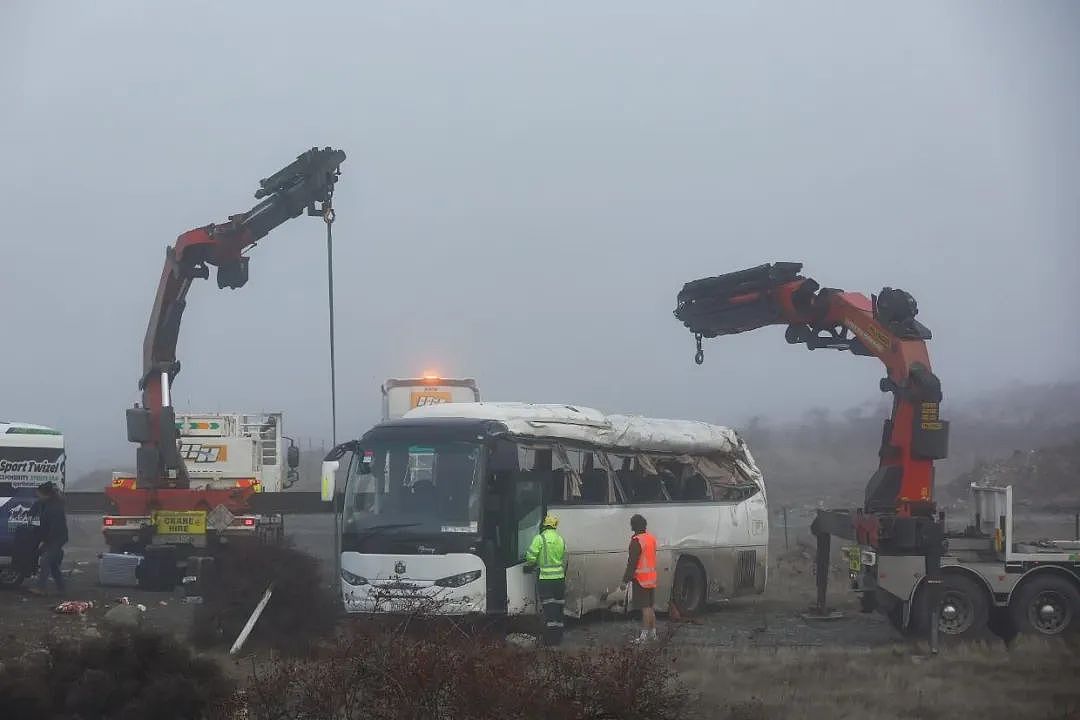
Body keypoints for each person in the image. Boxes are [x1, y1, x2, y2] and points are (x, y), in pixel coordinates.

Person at [524, 514, 567, 645]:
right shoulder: (560, 539)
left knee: (549, 610)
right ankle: (558, 638)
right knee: (559, 609)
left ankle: (549, 641)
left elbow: (530, 558)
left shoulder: (539, 538)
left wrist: (530, 565)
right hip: (559, 579)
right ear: (555, 525)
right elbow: (563, 556)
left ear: (544, 524)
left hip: (546, 579)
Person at [620, 513, 658, 642]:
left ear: (633, 526)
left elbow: (632, 562)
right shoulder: (651, 538)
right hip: (651, 577)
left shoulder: (636, 541)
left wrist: (625, 580)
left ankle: (644, 636)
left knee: (645, 607)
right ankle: (653, 634)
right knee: (650, 606)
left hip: (641, 579)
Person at [29, 481, 68, 596]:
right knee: (53, 563)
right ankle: (61, 587)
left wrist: (45, 541)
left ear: (46, 494)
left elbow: (55, 529)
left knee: (45, 561)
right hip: (53, 538)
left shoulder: (55, 508)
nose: (38, 497)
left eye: (39, 494)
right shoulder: (46, 503)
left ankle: (41, 588)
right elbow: (35, 508)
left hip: (57, 538)